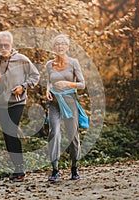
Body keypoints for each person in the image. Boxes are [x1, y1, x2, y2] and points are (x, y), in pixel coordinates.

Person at [0, 31, 40, 181]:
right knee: (7, 134)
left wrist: (23, 86)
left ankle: (20, 169)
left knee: (12, 129)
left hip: (17, 101)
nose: (3, 47)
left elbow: (35, 76)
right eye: (0, 45)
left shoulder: (22, 60)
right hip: (1, 102)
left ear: (11, 45)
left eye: (6, 45)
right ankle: (17, 167)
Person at [46, 34, 85, 181]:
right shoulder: (49, 64)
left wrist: (67, 84)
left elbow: (82, 84)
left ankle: (74, 167)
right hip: (54, 103)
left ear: (67, 47)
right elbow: (49, 81)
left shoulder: (74, 62)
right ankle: (55, 169)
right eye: (57, 44)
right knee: (54, 133)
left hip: (70, 102)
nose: (60, 46)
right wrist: (47, 90)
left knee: (72, 135)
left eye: (63, 44)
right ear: (53, 48)